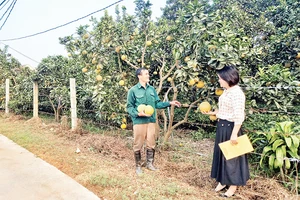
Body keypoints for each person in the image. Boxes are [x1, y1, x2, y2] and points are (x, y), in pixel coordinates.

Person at [202, 65, 250, 197]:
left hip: (230, 128)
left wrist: (234, 133)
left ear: (228, 78)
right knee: (222, 155)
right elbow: (224, 111)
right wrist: (212, 113)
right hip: (222, 126)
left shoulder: (237, 93)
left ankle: (232, 187)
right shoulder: (227, 91)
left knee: (232, 158)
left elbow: (239, 115)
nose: (219, 81)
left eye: (220, 78)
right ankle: (223, 181)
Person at [126, 68, 181, 175]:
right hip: (139, 121)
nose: (148, 75)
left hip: (151, 120)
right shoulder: (133, 90)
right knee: (138, 143)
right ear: (139, 76)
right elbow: (129, 107)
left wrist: (170, 103)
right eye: (146, 74)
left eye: (148, 73)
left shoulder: (151, 90)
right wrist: (138, 113)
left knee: (151, 143)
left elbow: (157, 104)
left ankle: (149, 163)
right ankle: (138, 166)